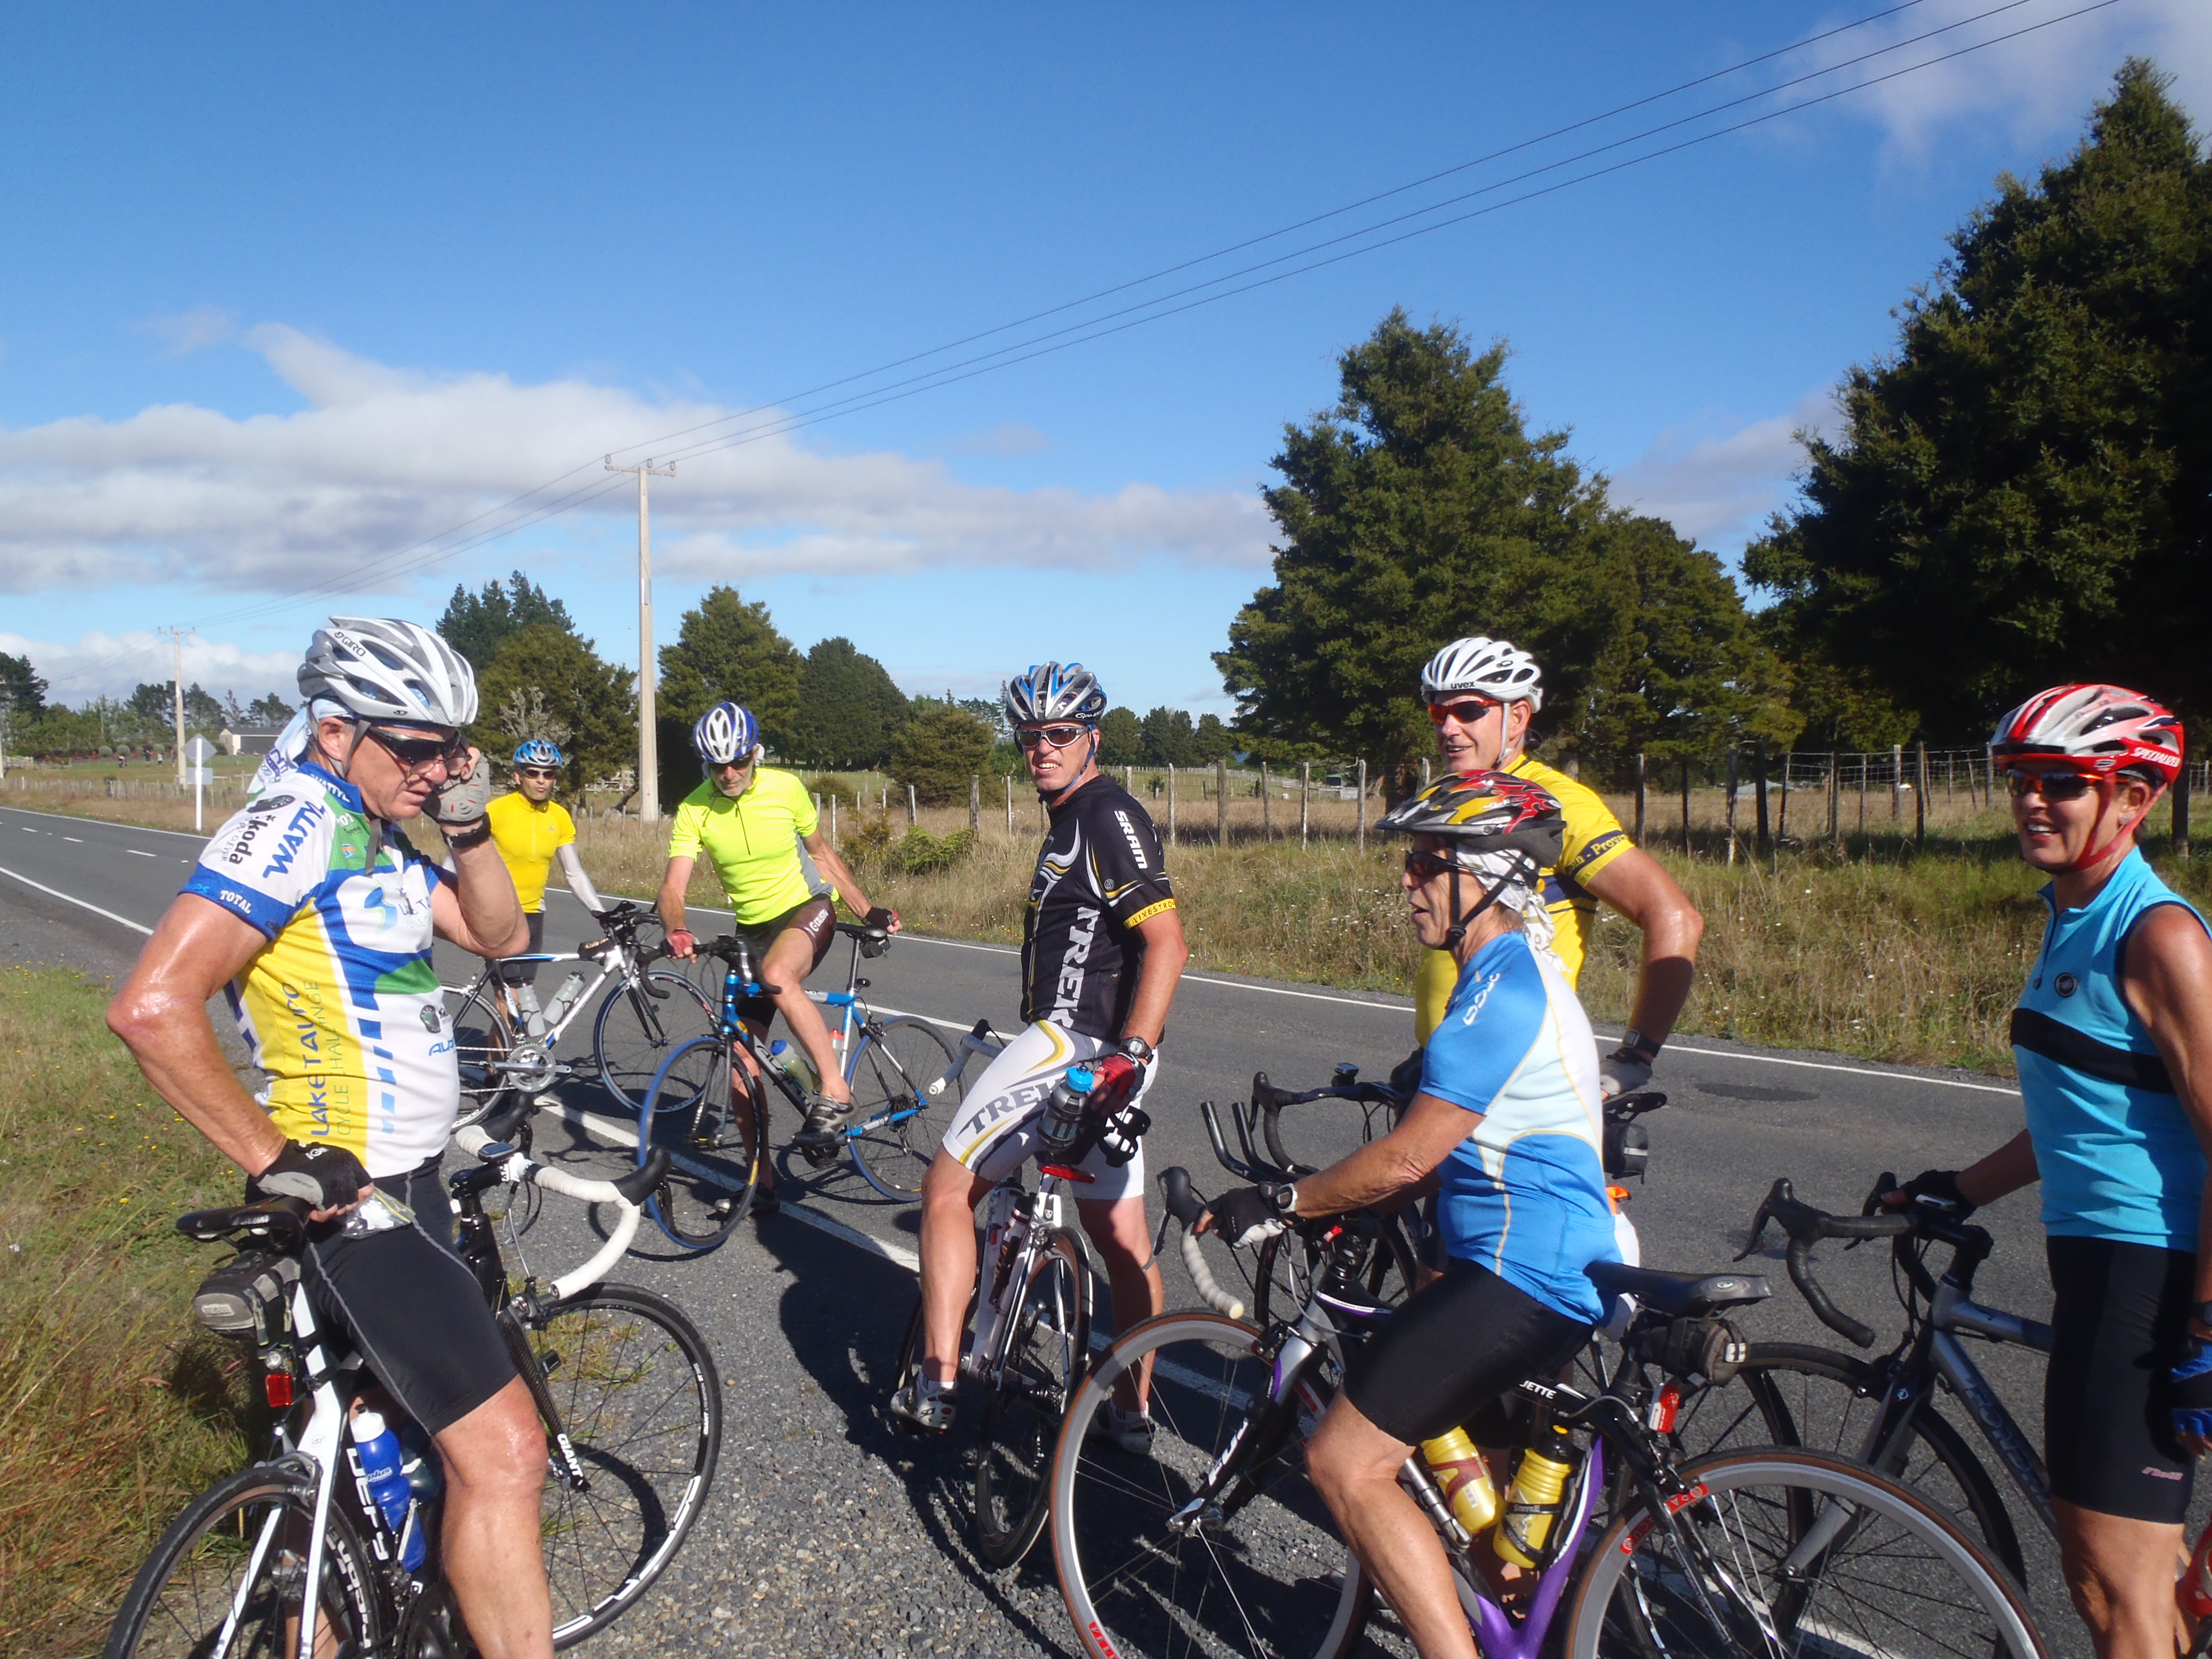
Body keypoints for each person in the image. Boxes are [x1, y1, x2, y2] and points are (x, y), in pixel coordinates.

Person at [106, 617, 555, 1659]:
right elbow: (151, 1007)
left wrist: (469, 826)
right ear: (337, 730)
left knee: (364, 1438)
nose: (439, 769)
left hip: (409, 1178)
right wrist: (274, 1157)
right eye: (418, 749)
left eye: (454, 749)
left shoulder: (377, 831)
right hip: (354, 1196)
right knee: (506, 1451)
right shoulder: (295, 824)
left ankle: (326, 1619)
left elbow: (499, 936)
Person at [1199, 770, 1618, 1659]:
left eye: (1429, 862)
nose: (1407, 879)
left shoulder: (1504, 990)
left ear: (1491, 878)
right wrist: (1333, 1204)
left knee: (1343, 1462)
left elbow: (1407, 1156)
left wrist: (1283, 1199)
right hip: (1531, 1268)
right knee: (1490, 1533)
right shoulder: (1506, 974)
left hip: (1518, 1277)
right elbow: (1447, 1159)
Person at [1879, 685, 2211, 1659]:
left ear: (2133, 798)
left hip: (2146, 1276)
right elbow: (2089, 1111)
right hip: (2102, 1267)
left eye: (2063, 782)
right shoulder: (2073, 915)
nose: (2031, 800)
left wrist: (2205, 1327)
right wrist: (1958, 1186)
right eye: (2021, 779)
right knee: (2145, 1581)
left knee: (2115, 1592)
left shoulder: (2156, 934)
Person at [895, 661, 1189, 1443]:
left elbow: (1167, 942)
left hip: (1074, 1041)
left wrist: (1130, 1052)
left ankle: (937, 1381)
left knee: (945, 1191)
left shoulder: (1104, 815)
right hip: (1101, 1050)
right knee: (1119, 1237)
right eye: (1029, 735)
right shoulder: (1075, 816)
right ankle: (1131, 1415)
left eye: (1060, 733)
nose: (1043, 748)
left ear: (1094, 736)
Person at [1411, 636, 1703, 1098]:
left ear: (1517, 717)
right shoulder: (1451, 796)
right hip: (1448, 1068)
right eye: (1438, 712)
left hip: (1517, 1078)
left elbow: (1674, 916)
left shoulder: (1555, 804)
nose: (1449, 728)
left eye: (1468, 711)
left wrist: (1635, 1057)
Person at [656, 701, 899, 1205]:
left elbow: (821, 854)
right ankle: (761, 1182)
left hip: (807, 909)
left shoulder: (785, 788)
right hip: (753, 928)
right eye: (718, 765)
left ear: (755, 754)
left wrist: (867, 908)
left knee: (778, 974)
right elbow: (674, 886)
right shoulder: (695, 809)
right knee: (742, 1064)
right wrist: (676, 927)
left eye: (739, 762)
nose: (729, 774)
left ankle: (835, 1089)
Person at [484, 738, 607, 1031]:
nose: (541, 780)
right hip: (498, 914)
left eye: (548, 774)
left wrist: (601, 913)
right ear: (518, 776)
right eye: (533, 773)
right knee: (509, 997)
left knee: (522, 998)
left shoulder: (559, 816)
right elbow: (461, 861)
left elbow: (574, 873)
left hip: (533, 915)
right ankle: (508, 1058)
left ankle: (501, 1058)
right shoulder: (495, 811)